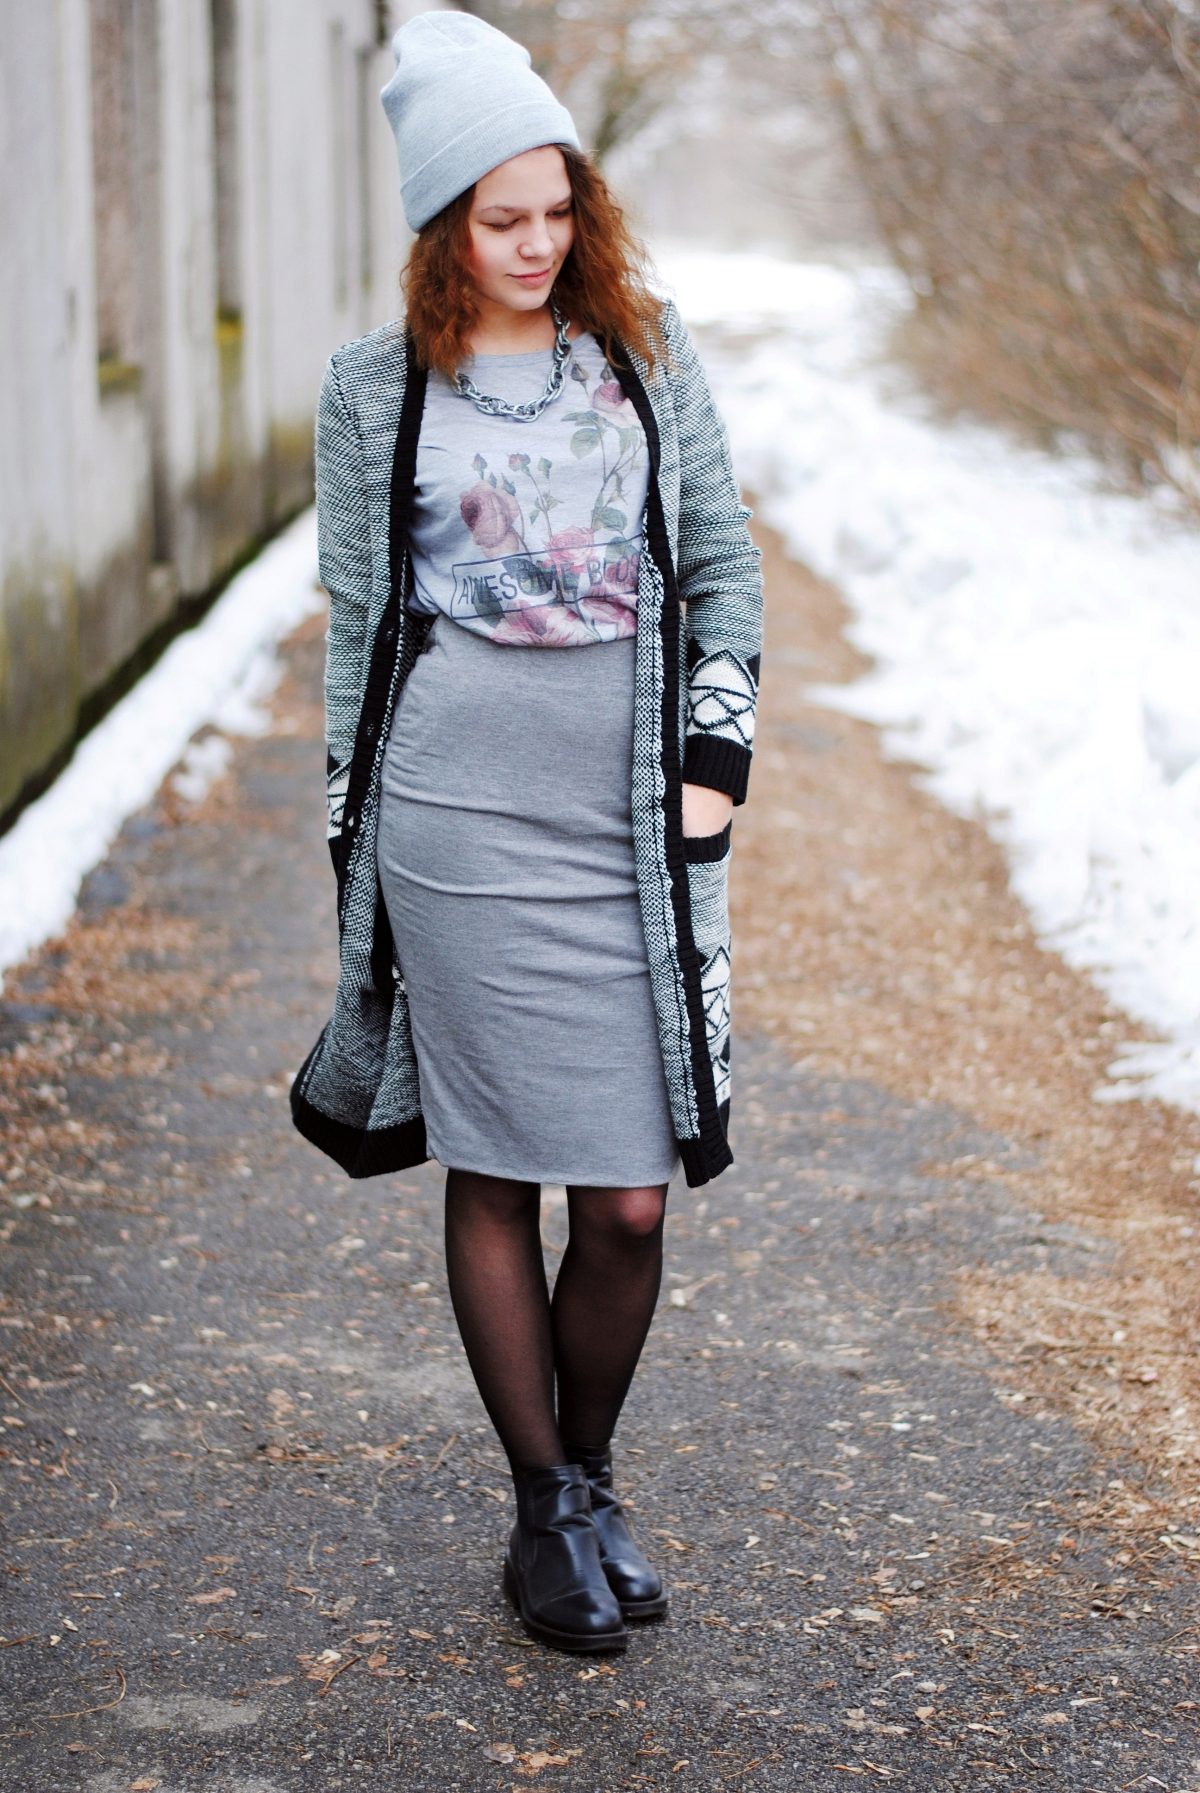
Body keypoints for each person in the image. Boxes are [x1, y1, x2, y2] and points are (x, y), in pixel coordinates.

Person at [289, 11, 763, 1655]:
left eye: (558, 210)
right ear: (444, 225)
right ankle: (546, 1503)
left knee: (628, 1197)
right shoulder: (373, 393)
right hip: (456, 817)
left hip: (624, 820)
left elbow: (726, 564)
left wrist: (714, 761)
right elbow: (359, 633)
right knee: (497, 1164)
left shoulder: (644, 350)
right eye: (502, 219)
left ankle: (594, 1467)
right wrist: (351, 840)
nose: (537, 243)